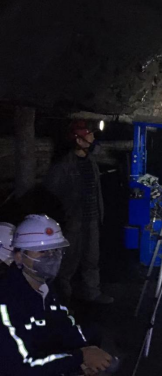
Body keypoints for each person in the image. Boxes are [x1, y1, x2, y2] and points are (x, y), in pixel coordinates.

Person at [0, 214, 113, 375]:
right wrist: (80, 358)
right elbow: (19, 367)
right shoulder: (6, 300)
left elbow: (65, 327)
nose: (51, 257)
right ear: (19, 257)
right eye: (42, 252)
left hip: (39, 359)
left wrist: (87, 351)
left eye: (56, 250)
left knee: (93, 332)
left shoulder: (45, 288)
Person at [44, 120, 113, 304]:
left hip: (91, 219)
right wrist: (61, 218)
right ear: (78, 140)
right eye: (88, 134)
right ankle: (63, 298)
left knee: (92, 259)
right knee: (67, 261)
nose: (92, 137)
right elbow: (51, 195)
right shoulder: (62, 166)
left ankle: (92, 293)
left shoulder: (91, 161)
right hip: (72, 221)